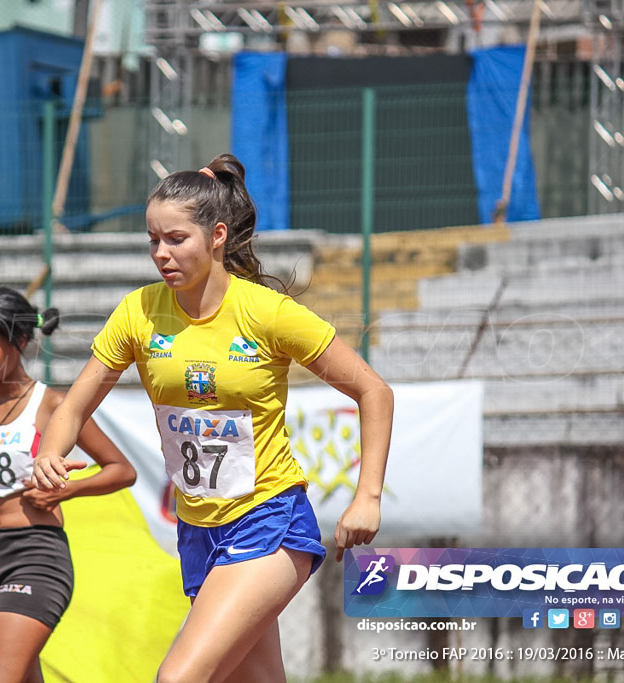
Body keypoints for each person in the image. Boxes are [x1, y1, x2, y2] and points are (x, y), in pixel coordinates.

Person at [32, 153, 394, 683]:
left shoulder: (266, 312)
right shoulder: (138, 311)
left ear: (218, 235)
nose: (161, 253)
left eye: (176, 239)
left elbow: (373, 390)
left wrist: (368, 497)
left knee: (178, 678)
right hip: (198, 529)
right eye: (152, 240)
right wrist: (50, 453)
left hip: (268, 520)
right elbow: (77, 403)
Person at [0, 285, 137, 683]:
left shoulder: (52, 405)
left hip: (35, 556)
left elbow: (121, 470)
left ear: (20, 340)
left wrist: (69, 489)